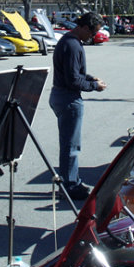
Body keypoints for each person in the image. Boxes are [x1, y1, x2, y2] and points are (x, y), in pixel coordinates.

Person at [49, 12, 107, 201]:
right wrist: (94, 86)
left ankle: (71, 181)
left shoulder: (70, 42)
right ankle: (69, 186)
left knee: (69, 144)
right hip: (68, 98)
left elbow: (73, 73)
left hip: (61, 94)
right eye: (92, 32)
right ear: (83, 27)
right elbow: (73, 80)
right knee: (71, 146)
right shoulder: (72, 45)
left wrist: (90, 78)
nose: (93, 36)